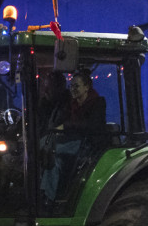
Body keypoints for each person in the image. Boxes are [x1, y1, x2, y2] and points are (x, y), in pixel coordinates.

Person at [39, 69, 106, 203]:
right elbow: (59, 119)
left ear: (87, 87)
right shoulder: (71, 104)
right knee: (53, 160)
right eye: (71, 86)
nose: (73, 89)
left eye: (76, 86)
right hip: (72, 140)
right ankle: (48, 196)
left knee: (48, 147)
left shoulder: (97, 103)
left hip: (88, 143)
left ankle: (47, 196)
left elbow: (91, 125)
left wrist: (65, 126)